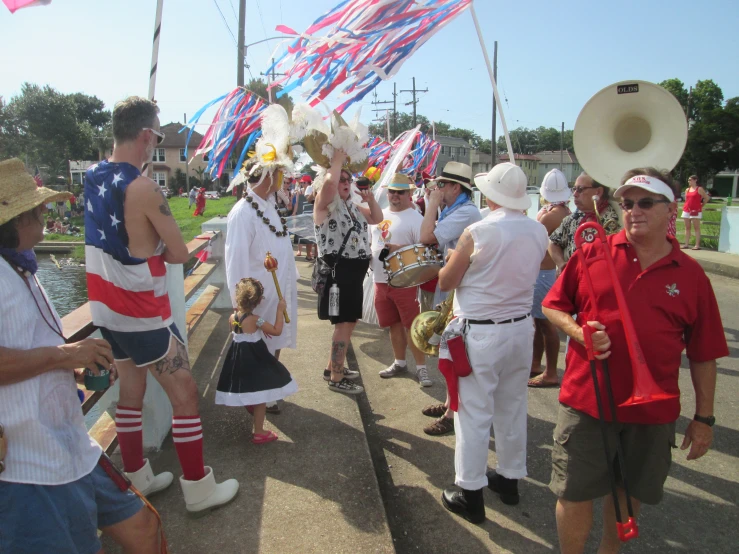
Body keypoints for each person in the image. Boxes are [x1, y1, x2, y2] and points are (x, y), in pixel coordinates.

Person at [542, 167, 727, 554]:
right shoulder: (593, 253)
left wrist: (704, 419)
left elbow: (704, 352)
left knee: (628, 493)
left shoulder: (692, 276)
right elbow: (552, 306)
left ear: (670, 209)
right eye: (626, 204)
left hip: (652, 409)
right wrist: (579, 333)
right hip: (586, 401)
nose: (634, 211)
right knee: (573, 492)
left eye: (645, 203)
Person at [84, 96, 238, 513]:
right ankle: (198, 488)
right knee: (184, 392)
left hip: (106, 310)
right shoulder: (145, 188)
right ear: (149, 136)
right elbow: (178, 254)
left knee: (130, 390)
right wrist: (152, 240)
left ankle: (136, 477)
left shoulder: (93, 176)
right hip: (140, 310)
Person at [0, 158, 161, 553]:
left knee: (144, 527)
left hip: (67, 444)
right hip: (27, 467)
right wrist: (66, 355)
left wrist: (70, 368)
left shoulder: (20, 268)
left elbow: (27, 347)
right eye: (38, 208)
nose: (45, 212)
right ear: (17, 219)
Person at [437, 163, 548, 524]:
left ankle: (470, 492)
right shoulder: (537, 230)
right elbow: (546, 262)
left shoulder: (478, 230)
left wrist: (448, 263)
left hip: (482, 332)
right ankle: (510, 479)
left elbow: (447, 281)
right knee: (512, 406)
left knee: (473, 412)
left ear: (491, 194)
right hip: (520, 329)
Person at [226, 106, 299, 414]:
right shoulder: (243, 212)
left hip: (278, 293)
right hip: (258, 299)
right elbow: (235, 264)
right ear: (271, 173)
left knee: (277, 340)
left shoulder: (269, 206)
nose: (284, 179)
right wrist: (243, 308)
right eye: (282, 173)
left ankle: (269, 390)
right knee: (258, 349)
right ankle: (258, 398)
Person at [418, 161, 482, 436]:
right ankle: (449, 402)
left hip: (463, 293)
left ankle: (452, 412)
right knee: (448, 351)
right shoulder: (456, 209)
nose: (438, 188)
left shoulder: (466, 212)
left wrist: (430, 203)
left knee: (455, 354)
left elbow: (425, 237)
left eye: (442, 184)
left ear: (457, 187)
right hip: (455, 290)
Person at [314, 151, 383, 394]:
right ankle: (336, 377)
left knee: (350, 321)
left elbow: (376, 218)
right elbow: (329, 184)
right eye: (341, 179)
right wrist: (338, 159)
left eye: (348, 179)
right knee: (342, 324)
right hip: (338, 274)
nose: (345, 183)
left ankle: (332, 367)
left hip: (354, 273)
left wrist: (369, 198)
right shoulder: (324, 205)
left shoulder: (352, 206)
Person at [216, 278, 297, 444]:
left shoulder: (232, 317)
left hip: (237, 359)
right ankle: (259, 431)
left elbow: (239, 335)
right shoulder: (256, 320)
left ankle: (250, 407)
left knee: (248, 387)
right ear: (259, 300)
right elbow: (276, 330)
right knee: (261, 395)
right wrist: (280, 311)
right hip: (255, 360)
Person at [369, 173, 431, 387]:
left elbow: (425, 252)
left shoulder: (416, 218)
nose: (395, 195)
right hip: (380, 280)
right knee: (393, 324)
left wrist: (399, 249)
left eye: (400, 192)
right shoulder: (379, 215)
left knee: (412, 325)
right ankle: (400, 362)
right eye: (392, 191)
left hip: (406, 283)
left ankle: (422, 369)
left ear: (410, 194)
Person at [529, 169, 572, 388]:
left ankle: (551, 371)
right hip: (543, 271)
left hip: (543, 273)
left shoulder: (552, 214)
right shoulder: (561, 210)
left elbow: (531, 237)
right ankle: (536, 364)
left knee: (546, 323)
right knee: (539, 321)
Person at [548, 172, 620, 273]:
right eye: (574, 189)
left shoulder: (614, 221)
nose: (575, 194)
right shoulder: (574, 218)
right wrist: (561, 264)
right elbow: (553, 242)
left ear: (598, 192)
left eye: (580, 189)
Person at [681, 175, 710, 250]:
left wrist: (702, 205)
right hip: (687, 209)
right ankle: (686, 244)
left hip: (696, 210)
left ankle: (697, 245)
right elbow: (686, 200)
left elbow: (706, 198)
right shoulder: (687, 189)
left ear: (695, 180)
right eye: (688, 180)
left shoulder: (699, 189)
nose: (689, 181)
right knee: (687, 227)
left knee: (696, 227)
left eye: (690, 180)